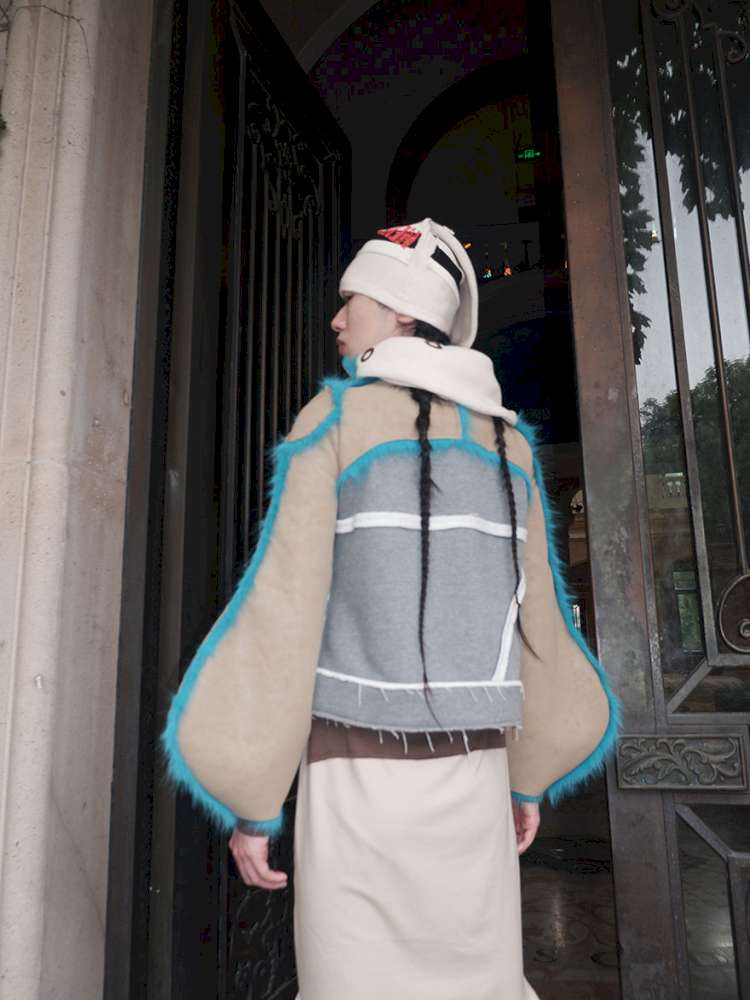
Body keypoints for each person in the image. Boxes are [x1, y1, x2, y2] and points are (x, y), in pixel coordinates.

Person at [160, 217, 621, 1000]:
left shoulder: (337, 421)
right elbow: (538, 625)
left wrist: (253, 797)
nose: (338, 320)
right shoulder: (510, 447)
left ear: (403, 311)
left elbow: (283, 609)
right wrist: (526, 779)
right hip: (475, 778)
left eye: (354, 300)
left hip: (356, 777)